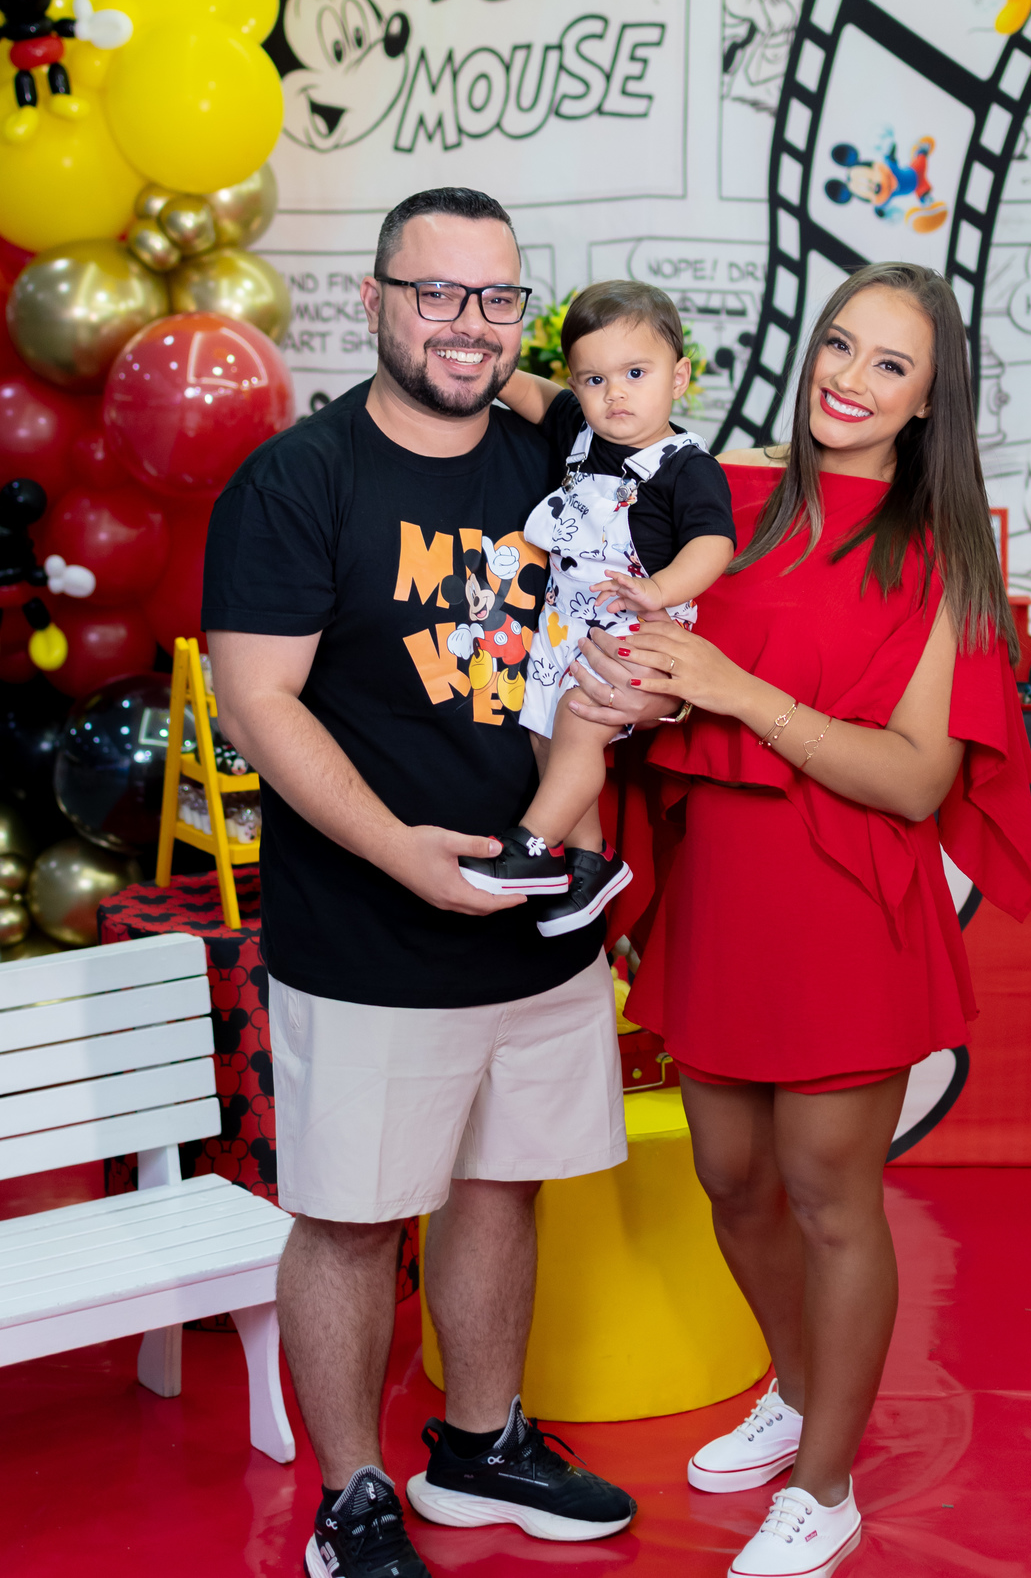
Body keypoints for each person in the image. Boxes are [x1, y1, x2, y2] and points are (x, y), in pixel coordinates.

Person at [201, 187, 668, 1578]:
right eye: (435, 293)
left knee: (503, 1185)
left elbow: (632, 592)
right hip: (368, 925)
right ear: (374, 300)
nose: (466, 324)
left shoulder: (560, 459)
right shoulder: (299, 481)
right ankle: (353, 1496)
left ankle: (477, 1446)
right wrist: (397, 846)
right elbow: (258, 701)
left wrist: (638, 690)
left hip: (537, 916)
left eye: (496, 297)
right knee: (351, 1219)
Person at [571, 263, 1031, 1578]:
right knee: (731, 1177)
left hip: (845, 900)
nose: (850, 378)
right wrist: (645, 685)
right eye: (841, 344)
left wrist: (737, 691)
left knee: (833, 1197)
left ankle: (825, 1485)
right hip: (719, 888)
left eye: (891, 364)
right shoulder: (727, 499)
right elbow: (646, 627)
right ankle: (795, 1385)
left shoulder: (946, 554)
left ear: (931, 398)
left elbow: (917, 778)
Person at [459, 280, 736, 937]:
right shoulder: (579, 434)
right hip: (568, 620)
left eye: (636, 374)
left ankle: (531, 843)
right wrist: (485, 362)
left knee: (580, 723)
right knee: (542, 730)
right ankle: (588, 861)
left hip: (638, 626)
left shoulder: (686, 467)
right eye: (594, 380)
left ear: (678, 377)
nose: (615, 394)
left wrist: (660, 589)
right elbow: (530, 392)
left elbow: (713, 544)